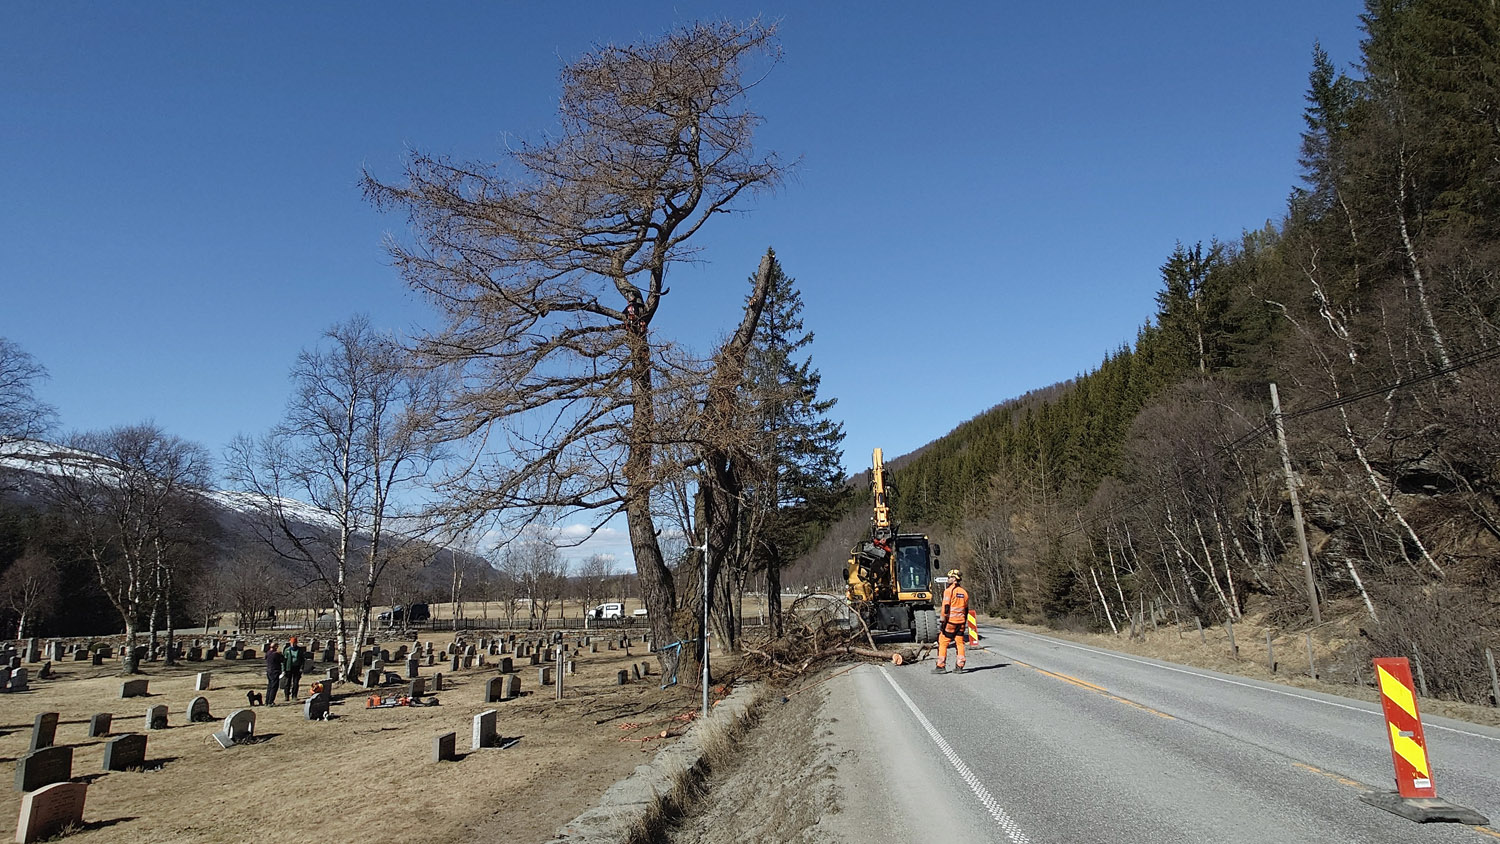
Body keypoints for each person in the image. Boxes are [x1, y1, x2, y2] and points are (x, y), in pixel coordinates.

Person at [934, 569, 970, 674]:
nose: (948, 579)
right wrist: (964, 621)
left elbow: (945, 607)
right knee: (960, 643)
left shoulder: (949, 591)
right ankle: (960, 666)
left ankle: (940, 666)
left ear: (954, 579)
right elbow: (966, 609)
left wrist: (942, 620)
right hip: (961, 622)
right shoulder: (964, 592)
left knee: (943, 642)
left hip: (950, 622)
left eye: (949, 577)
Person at [282, 636, 307, 701]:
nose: (293, 644)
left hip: (297, 668)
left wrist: (301, 668)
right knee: (287, 682)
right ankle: (286, 695)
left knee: (295, 682)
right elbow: (284, 661)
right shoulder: (287, 650)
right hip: (288, 668)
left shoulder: (300, 650)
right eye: (292, 643)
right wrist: (283, 669)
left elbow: (302, 660)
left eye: (294, 643)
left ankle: (294, 696)